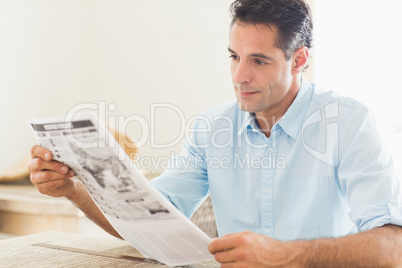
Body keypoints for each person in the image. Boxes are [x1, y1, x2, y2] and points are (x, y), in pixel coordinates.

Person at [29, 0, 402, 266]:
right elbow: (147, 226)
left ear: (300, 59)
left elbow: (393, 247)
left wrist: (283, 256)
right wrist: (74, 192)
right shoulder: (213, 128)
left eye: (258, 60)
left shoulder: (349, 122)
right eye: (233, 56)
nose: (240, 76)